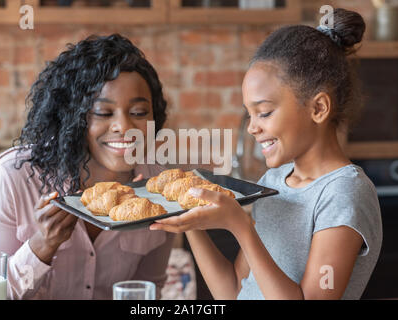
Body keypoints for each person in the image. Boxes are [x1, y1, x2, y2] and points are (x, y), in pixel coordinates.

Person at [150, 8, 382, 300]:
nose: (252, 128)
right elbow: (232, 291)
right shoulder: (273, 181)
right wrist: (189, 222)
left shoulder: (343, 194)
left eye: (264, 112)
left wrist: (241, 227)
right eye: (250, 114)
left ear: (318, 108)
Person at [0, 34, 175, 299]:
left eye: (138, 113)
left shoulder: (161, 191)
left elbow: (147, 292)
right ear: (73, 119)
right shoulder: (16, 176)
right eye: (103, 112)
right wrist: (43, 245)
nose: (125, 127)